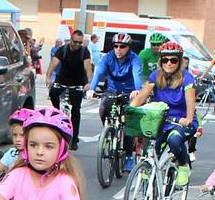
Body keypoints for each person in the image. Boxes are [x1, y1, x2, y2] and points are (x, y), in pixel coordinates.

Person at [130, 40, 197, 190]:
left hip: (181, 119)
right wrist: (130, 110)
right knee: (151, 153)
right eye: (165, 59)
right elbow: (141, 97)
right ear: (160, 61)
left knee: (174, 139)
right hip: (160, 120)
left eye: (173, 60)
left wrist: (189, 119)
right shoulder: (155, 75)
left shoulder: (187, 78)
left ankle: (183, 165)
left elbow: (190, 101)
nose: (169, 63)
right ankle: (145, 199)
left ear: (179, 62)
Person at [90, 32, 144, 170]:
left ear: (128, 48)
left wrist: (137, 89)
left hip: (129, 92)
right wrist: (91, 88)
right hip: (112, 90)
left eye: (122, 46)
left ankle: (128, 156)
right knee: (103, 107)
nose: (118, 49)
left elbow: (137, 75)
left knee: (128, 124)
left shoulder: (134, 59)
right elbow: (99, 73)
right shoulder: (107, 58)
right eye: (116, 46)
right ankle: (107, 131)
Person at [46, 29, 93, 149]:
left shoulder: (84, 51)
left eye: (79, 43)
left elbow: (88, 67)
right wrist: (48, 77)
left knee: (75, 111)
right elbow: (54, 63)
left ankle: (74, 139)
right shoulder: (63, 49)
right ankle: (57, 114)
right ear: (71, 39)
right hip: (62, 80)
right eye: (75, 42)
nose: (77, 45)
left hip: (77, 83)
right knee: (53, 93)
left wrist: (88, 82)